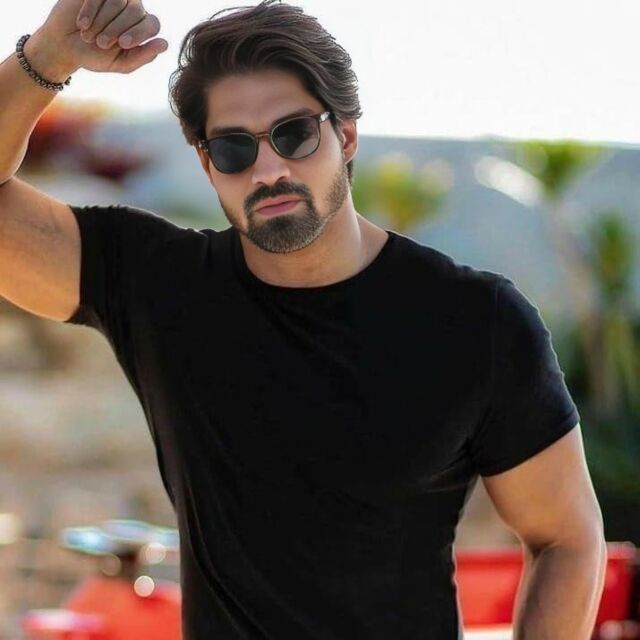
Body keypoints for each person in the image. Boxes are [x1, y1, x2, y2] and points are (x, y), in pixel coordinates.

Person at [0, 1, 607, 638]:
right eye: (233, 148)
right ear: (207, 164)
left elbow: (565, 538)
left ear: (346, 135)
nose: (269, 170)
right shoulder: (156, 283)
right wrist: (48, 56)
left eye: (294, 134)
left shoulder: (476, 322)